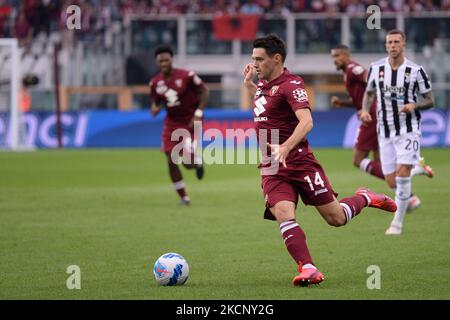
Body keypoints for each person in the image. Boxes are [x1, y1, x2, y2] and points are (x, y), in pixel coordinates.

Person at [243, 34, 397, 287]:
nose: (255, 63)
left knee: (336, 218)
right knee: (283, 213)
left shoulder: (292, 84)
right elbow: (267, 100)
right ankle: (309, 268)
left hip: (300, 162)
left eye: (259, 59)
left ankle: (366, 197)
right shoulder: (264, 85)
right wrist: (250, 85)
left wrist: (285, 147)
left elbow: (307, 122)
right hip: (271, 164)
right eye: (253, 59)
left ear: (276, 58)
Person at [330, 44, 433, 212]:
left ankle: (410, 190)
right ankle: (410, 194)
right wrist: (341, 103)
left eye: (336, 56)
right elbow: (359, 98)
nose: (334, 60)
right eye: (333, 57)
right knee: (382, 163)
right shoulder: (346, 73)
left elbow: (371, 82)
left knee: (358, 160)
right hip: (374, 115)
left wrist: (376, 105)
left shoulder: (352, 68)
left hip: (371, 117)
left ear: (345, 55)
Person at [360, 30, 435, 235]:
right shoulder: (376, 68)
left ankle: (397, 224)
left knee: (401, 176)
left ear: (404, 44)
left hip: (408, 129)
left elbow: (430, 99)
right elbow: (369, 93)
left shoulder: (415, 70)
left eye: (396, 42)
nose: (392, 45)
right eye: (389, 42)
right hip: (384, 130)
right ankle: (418, 169)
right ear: (386, 46)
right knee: (390, 179)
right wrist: (365, 109)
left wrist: (415, 106)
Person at [150, 45, 209, 205]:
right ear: (157, 62)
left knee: (187, 162)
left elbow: (204, 91)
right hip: (171, 122)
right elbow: (156, 102)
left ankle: (196, 163)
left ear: (171, 60)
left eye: (166, 60)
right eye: (160, 61)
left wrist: (199, 113)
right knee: (170, 160)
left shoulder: (187, 75)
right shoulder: (155, 83)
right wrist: (155, 109)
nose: (163, 63)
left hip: (190, 120)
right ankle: (184, 197)